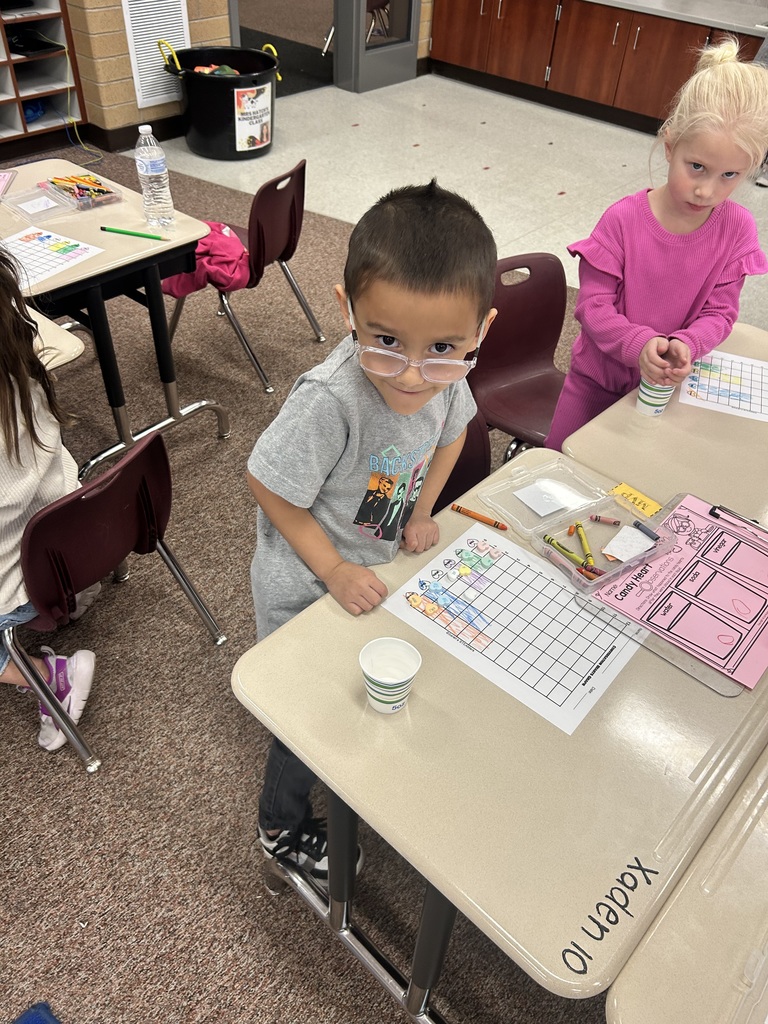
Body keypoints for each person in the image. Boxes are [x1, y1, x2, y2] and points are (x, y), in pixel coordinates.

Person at [247, 180, 497, 880]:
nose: (413, 375)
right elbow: (268, 485)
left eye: (442, 347)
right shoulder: (331, 398)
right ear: (347, 310)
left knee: (362, 690)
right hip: (306, 582)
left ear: (481, 331)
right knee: (306, 716)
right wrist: (331, 569)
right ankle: (279, 828)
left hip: (373, 564)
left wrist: (422, 512)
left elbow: (453, 433)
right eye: (385, 341)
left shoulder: (449, 378)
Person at [545, 36, 768, 451]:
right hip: (596, 384)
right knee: (562, 462)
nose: (706, 190)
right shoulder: (622, 220)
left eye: (729, 175)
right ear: (669, 146)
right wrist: (639, 345)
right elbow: (593, 307)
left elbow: (720, 312)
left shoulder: (737, 230)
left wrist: (688, 343)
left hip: (671, 391)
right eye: (696, 166)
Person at [0, 247, 96, 751]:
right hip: (76, 540)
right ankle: (62, 606)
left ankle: (50, 675)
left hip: (30, 571)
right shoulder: (20, 373)